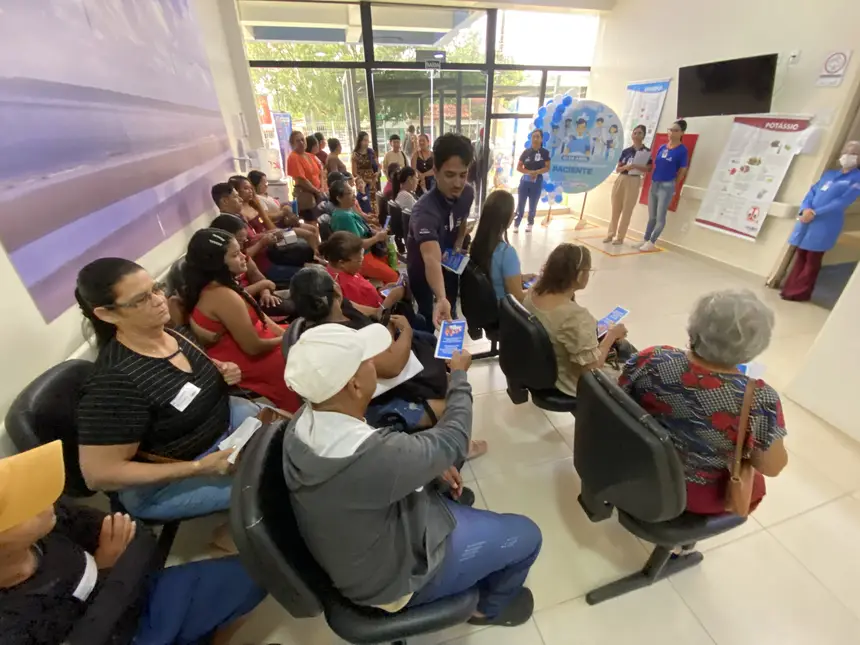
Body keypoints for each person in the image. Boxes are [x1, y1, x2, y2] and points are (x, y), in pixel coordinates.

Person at [282, 324, 539, 625]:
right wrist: (459, 376)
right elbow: (454, 439)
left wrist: (422, 464)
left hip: (357, 550)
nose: (375, 363)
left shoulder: (302, 422)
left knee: (445, 488)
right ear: (353, 385)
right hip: (389, 582)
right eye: (367, 360)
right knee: (528, 537)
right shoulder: (374, 456)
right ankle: (490, 608)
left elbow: (372, 465)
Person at [0, 442, 268, 645]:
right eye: (23, 508)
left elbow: (140, 537)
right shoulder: (9, 623)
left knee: (257, 574)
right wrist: (106, 567)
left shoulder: (52, 518)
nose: (45, 502)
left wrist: (108, 582)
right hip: (122, 629)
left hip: (143, 598)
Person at [74, 258, 259, 521]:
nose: (160, 300)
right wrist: (197, 467)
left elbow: (184, 381)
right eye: (141, 299)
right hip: (169, 480)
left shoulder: (173, 333)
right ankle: (234, 538)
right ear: (106, 314)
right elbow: (98, 475)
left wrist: (223, 370)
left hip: (224, 430)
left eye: (157, 288)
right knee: (281, 478)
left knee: (297, 441)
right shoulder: (116, 382)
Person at [619, 289, 789, 514]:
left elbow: (619, 398)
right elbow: (772, 466)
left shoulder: (652, 357)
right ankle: (681, 547)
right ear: (755, 346)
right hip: (690, 493)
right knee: (755, 483)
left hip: (634, 464)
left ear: (695, 326)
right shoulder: (759, 399)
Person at [182, 228, 299, 413]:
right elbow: (253, 347)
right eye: (236, 255)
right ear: (216, 263)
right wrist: (289, 339)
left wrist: (287, 333)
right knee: (299, 362)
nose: (244, 256)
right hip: (246, 361)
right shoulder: (221, 295)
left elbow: (264, 319)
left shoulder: (226, 285)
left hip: (263, 343)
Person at [524, 244, 632, 396]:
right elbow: (592, 367)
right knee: (636, 370)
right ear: (580, 274)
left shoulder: (533, 292)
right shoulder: (574, 316)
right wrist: (611, 335)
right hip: (568, 381)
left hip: (544, 366)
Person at [407, 133, 474, 325]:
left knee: (450, 313)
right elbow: (431, 258)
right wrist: (441, 297)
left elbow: (462, 219)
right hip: (423, 271)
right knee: (428, 316)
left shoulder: (468, 193)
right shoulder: (424, 211)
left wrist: (459, 244)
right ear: (435, 172)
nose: (458, 183)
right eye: (450, 175)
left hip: (449, 265)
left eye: (463, 174)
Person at [782, 140, 860, 301]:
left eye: (854, 153)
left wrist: (816, 213)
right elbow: (811, 192)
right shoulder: (829, 175)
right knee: (801, 255)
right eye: (846, 151)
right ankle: (789, 289)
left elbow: (842, 202)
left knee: (812, 259)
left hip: (825, 223)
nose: (848, 156)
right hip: (807, 220)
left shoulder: (856, 179)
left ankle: (800, 292)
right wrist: (806, 209)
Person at [211, 183, 313, 286]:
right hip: (263, 265)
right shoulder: (225, 226)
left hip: (268, 257)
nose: (241, 199)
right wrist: (262, 242)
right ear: (225, 201)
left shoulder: (239, 217)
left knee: (305, 252)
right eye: (236, 197)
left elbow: (254, 237)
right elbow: (244, 255)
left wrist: (269, 234)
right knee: (309, 274)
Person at [209, 214, 294, 320]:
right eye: (240, 241)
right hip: (244, 307)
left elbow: (258, 277)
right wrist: (263, 285)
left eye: (245, 241)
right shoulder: (218, 266)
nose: (242, 246)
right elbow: (233, 296)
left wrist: (265, 293)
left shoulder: (243, 255)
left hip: (259, 298)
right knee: (296, 308)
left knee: (302, 294)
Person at [329, 179, 398, 283]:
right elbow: (357, 245)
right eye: (349, 193)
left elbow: (361, 230)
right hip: (360, 258)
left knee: (391, 262)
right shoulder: (343, 217)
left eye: (353, 192)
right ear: (339, 198)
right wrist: (377, 237)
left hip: (367, 253)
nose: (354, 196)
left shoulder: (348, 210)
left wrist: (373, 230)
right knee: (393, 277)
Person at [471, 190, 535, 302]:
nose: (514, 215)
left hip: (483, 306)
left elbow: (494, 277)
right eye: (513, 212)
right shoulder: (507, 253)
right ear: (505, 216)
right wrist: (537, 289)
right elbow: (518, 297)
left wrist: (520, 278)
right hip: (502, 312)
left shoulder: (476, 244)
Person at [232, 174, 320, 254]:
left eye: (251, 188)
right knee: (308, 237)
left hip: (275, 234)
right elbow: (254, 237)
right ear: (236, 192)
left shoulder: (254, 205)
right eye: (246, 189)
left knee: (310, 234)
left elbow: (268, 224)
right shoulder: (241, 213)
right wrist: (282, 219)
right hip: (268, 241)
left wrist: (280, 229)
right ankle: (315, 258)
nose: (250, 191)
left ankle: (317, 257)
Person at [638, 119, 688, 251]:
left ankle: (652, 242)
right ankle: (645, 239)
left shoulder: (682, 151)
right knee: (652, 216)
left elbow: (682, 170)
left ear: (682, 133)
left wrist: (674, 186)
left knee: (660, 216)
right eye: (670, 130)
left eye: (675, 130)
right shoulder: (662, 147)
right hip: (655, 183)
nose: (671, 133)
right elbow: (655, 164)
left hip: (666, 186)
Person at [606, 124, 652, 245]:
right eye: (635, 133)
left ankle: (620, 237)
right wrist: (627, 167)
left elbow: (648, 168)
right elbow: (618, 169)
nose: (637, 135)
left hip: (634, 180)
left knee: (627, 210)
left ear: (644, 136)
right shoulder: (626, 151)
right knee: (616, 208)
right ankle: (610, 234)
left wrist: (636, 166)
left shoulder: (646, 152)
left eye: (640, 133)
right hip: (622, 178)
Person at [514, 130, 551, 233]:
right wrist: (529, 172)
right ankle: (516, 223)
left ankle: (530, 223)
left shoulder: (545, 153)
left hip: (537, 181)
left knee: (533, 204)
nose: (535, 139)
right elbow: (518, 167)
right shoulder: (526, 152)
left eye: (537, 137)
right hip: (525, 181)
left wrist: (537, 172)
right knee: (521, 203)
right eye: (533, 136)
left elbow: (547, 167)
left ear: (541, 139)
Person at [287, 131, 324, 221]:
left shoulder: (310, 155)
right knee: (312, 223)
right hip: (307, 194)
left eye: (302, 139)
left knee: (321, 220)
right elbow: (301, 180)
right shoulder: (293, 157)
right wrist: (317, 191)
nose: (301, 142)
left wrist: (322, 188)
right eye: (298, 141)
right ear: (292, 144)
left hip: (318, 192)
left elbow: (320, 173)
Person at [351, 131, 380, 213]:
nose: (366, 143)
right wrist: (366, 180)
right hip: (362, 183)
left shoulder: (371, 152)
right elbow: (354, 173)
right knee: (364, 204)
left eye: (367, 140)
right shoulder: (355, 155)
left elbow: (377, 165)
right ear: (359, 141)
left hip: (373, 181)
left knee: (373, 203)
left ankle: (374, 221)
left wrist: (377, 174)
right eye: (364, 140)